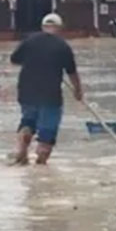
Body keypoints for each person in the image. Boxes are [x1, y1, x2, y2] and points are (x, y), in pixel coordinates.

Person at [9, 13, 82, 165]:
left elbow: (14, 60)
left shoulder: (29, 41)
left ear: (43, 27)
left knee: (28, 120)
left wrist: (32, 62)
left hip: (26, 91)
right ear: (60, 28)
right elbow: (72, 72)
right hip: (50, 95)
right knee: (48, 130)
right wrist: (78, 90)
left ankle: (25, 136)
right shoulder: (63, 46)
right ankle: (41, 166)